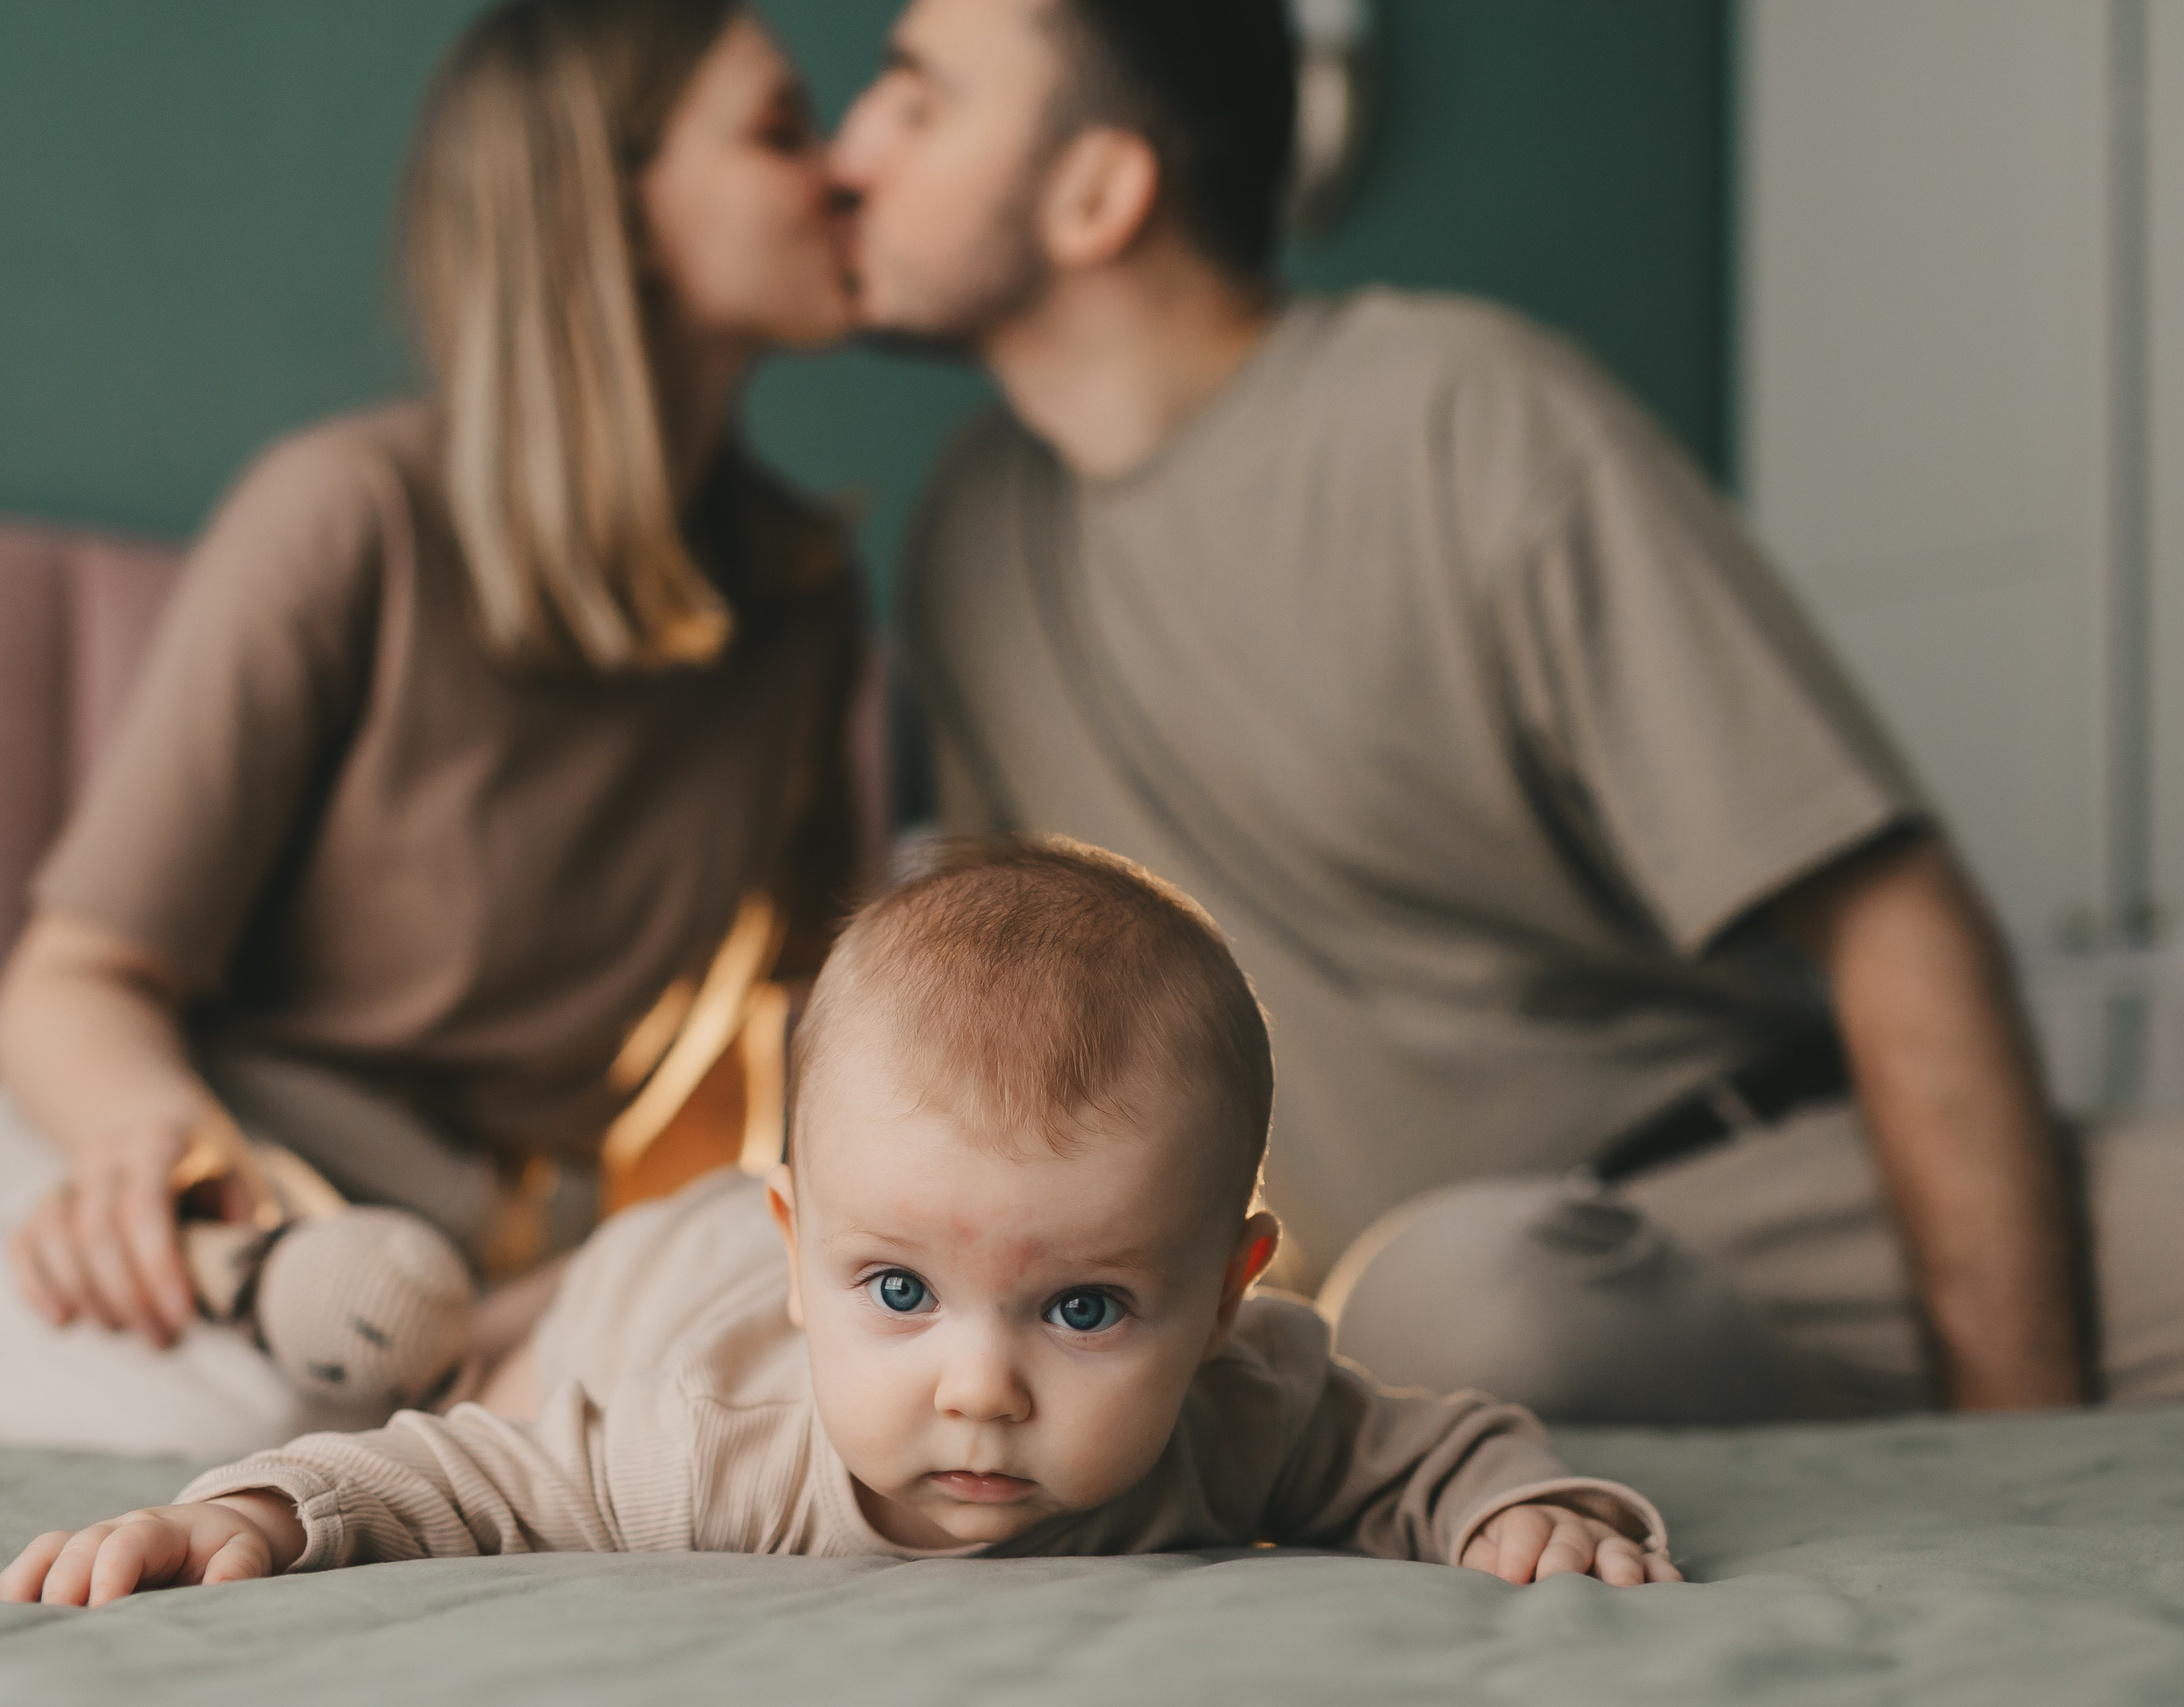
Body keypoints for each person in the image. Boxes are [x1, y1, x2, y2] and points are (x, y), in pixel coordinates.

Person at [832, 0, 2184, 1420]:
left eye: (917, 103)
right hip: (1455, 1303)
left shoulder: (1461, 413)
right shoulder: (969, 539)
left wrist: (2015, 1430)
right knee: (1460, 1306)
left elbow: (1896, 918)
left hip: (1786, 1189)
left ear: (1098, 192)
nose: (851, 152)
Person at [0, 0, 874, 1456]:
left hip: (454, 1258)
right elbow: (76, 982)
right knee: (287, 1388)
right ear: (609, 200)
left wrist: (576, 1294)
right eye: (782, 130)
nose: (845, 170)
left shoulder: (803, 599)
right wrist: (177, 1174)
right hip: (169, 1145)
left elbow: (784, 1044)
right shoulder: (353, 518)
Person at [0, 840, 1679, 1604]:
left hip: (771, 1242)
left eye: (1085, 1309)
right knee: (472, 1357)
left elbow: (1431, 1449)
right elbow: (454, 1477)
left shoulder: (1251, 1405)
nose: (979, 1389)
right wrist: (262, 1511)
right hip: (660, 1285)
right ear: (810, 1255)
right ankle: (516, 1295)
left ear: (1229, 1295)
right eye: (900, 1293)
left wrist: (1531, 1514)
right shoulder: (704, 1453)